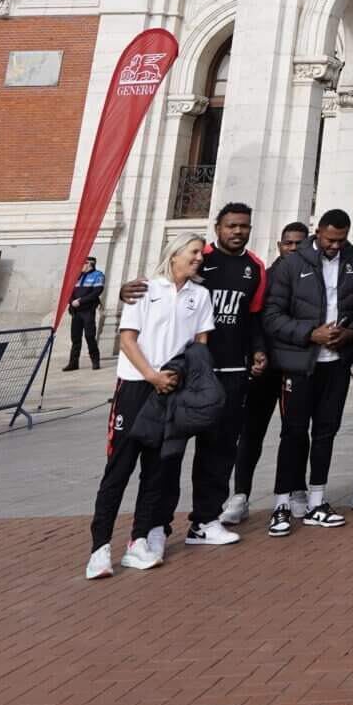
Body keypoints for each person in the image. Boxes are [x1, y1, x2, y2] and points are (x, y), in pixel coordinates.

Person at [86, 234, 214, 578]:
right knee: (119, 469)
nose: (200, 257)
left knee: (156, 472)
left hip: (172, 390)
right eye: (194, 252)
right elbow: (127, 338)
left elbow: (199, 345)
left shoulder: (200, 296)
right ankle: (99, 548)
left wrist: (177, 376)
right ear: (174, 255)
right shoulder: (144, 289)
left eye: (201, 253)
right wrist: (151, 375)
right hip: (136, 388)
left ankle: (138, 541)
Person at [261, 208, 353, 534]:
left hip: (335, 362)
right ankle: (282, 502)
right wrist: (310, 333)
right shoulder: (292, 265)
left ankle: (317, 499)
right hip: (299, 362)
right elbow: (272, 315)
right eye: (330, 239)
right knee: (294, 432)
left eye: (341, 239)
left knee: (325, 431)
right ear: (317, 232)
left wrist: (350, 333)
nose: (335, 245)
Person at [183, 203, 267, 546]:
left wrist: (259, 350)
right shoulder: (197, 259)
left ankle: (205, 520)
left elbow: (255, 316)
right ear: (217, 227)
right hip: (193, 371)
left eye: (243, 226)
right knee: (171, 451)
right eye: (231, 226)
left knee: (220, 449)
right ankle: (154, 525)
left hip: (233, 371)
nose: (237, 232)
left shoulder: (255, 267)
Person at [233, 220, 307, 515]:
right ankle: (240, 494)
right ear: (279, 245)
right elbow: (252, 319)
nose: (292, 248)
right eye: (288, 243)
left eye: (299, 243)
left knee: (296, 430)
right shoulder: (264, 275)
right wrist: (256, 352)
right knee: (252, 430)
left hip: (295, 365)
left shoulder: (311, 279)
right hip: (264, 365)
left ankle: (295, 487)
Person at [65, 254, 107, 370]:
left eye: (82, 264)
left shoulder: (98, 275)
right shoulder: (77, 276)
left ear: (89, 264)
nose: (80, 266)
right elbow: (69, 291)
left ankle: (95, 361)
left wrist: (81, 301)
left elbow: (96, 292)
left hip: (87, 310)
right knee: (75, 338)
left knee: (89, 336)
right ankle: (73, 363)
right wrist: (72, 301)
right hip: (76, 311)